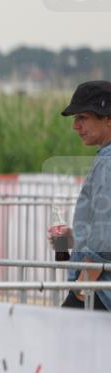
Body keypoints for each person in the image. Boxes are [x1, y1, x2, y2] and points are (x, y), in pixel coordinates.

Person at [48, 80, 111, 311]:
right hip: (98, 284)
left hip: (99, 290)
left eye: (83, 117)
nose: (76, 126)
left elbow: (106, 237)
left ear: (108, 119)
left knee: (60, 344)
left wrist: (82, 286)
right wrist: (75, 237)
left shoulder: (108, 161)